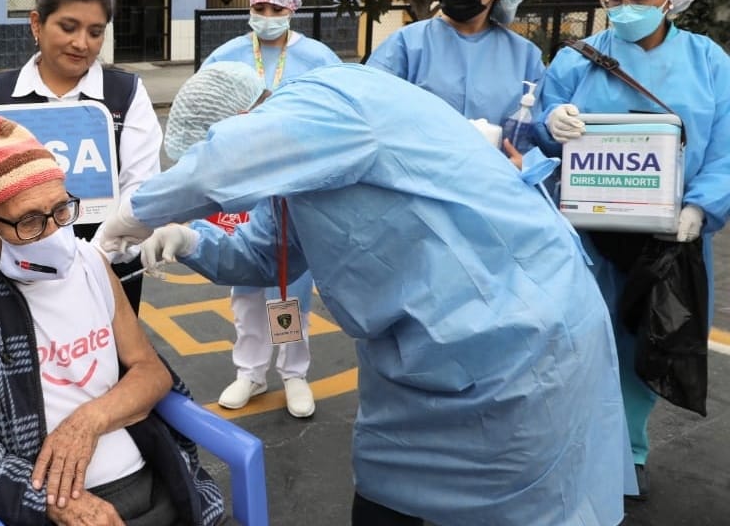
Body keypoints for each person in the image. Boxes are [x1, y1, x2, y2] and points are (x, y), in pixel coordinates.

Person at [100, 62, 630, 526]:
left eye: (214, 143)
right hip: (414, 359)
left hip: (514, 341)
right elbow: (264, 253)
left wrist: (137, 208)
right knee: (384, 487)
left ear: (243, 121)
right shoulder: (297, 172)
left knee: (520, 504)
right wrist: (189, 238)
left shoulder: (331, 101)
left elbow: (223, 163)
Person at [0, 115, 225, 526]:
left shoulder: (89, 262)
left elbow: (151, 372)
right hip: (51, 506)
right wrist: (47, 499)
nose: (54, 233)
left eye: (60, 209)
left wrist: (88, 421)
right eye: (30, 221)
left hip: (153, 480)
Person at [534, 0, 730, 500]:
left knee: (647, 341)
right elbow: (541, 136)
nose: (624, 9)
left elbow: (725, 145)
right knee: (582, 338)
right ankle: (577, 445)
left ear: (670, 1)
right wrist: (551, 124)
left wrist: (701, 207)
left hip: (668, 237)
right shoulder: (579, 57)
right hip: (588, 234)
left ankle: (630, 451)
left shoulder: (709, 60)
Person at [195, 0, 339, 418]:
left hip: (295, 187)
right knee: (245, 287)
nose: (266, 15)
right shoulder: (227, 55)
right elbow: (201, 113)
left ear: (292, 8)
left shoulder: (317, 58)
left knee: (288, 289)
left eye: (276, 7)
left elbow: (339, 117)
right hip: (244, 186)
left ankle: (293, 373)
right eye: (259, 7)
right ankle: (250, 372)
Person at [0, 0, 162, 314]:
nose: (82, 43)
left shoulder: (126, 94)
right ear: (36, 23)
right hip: (18, 278)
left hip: (108, 273)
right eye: (68, 27)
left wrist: (93, 258)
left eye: (95, 32)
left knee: (110, 367)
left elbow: (141, 189)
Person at [367, 0, 544, 127]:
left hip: (494, 158)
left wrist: (522, 157)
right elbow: (369, 107)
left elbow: (537, 129)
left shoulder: (524, 56)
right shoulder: (407, 43)